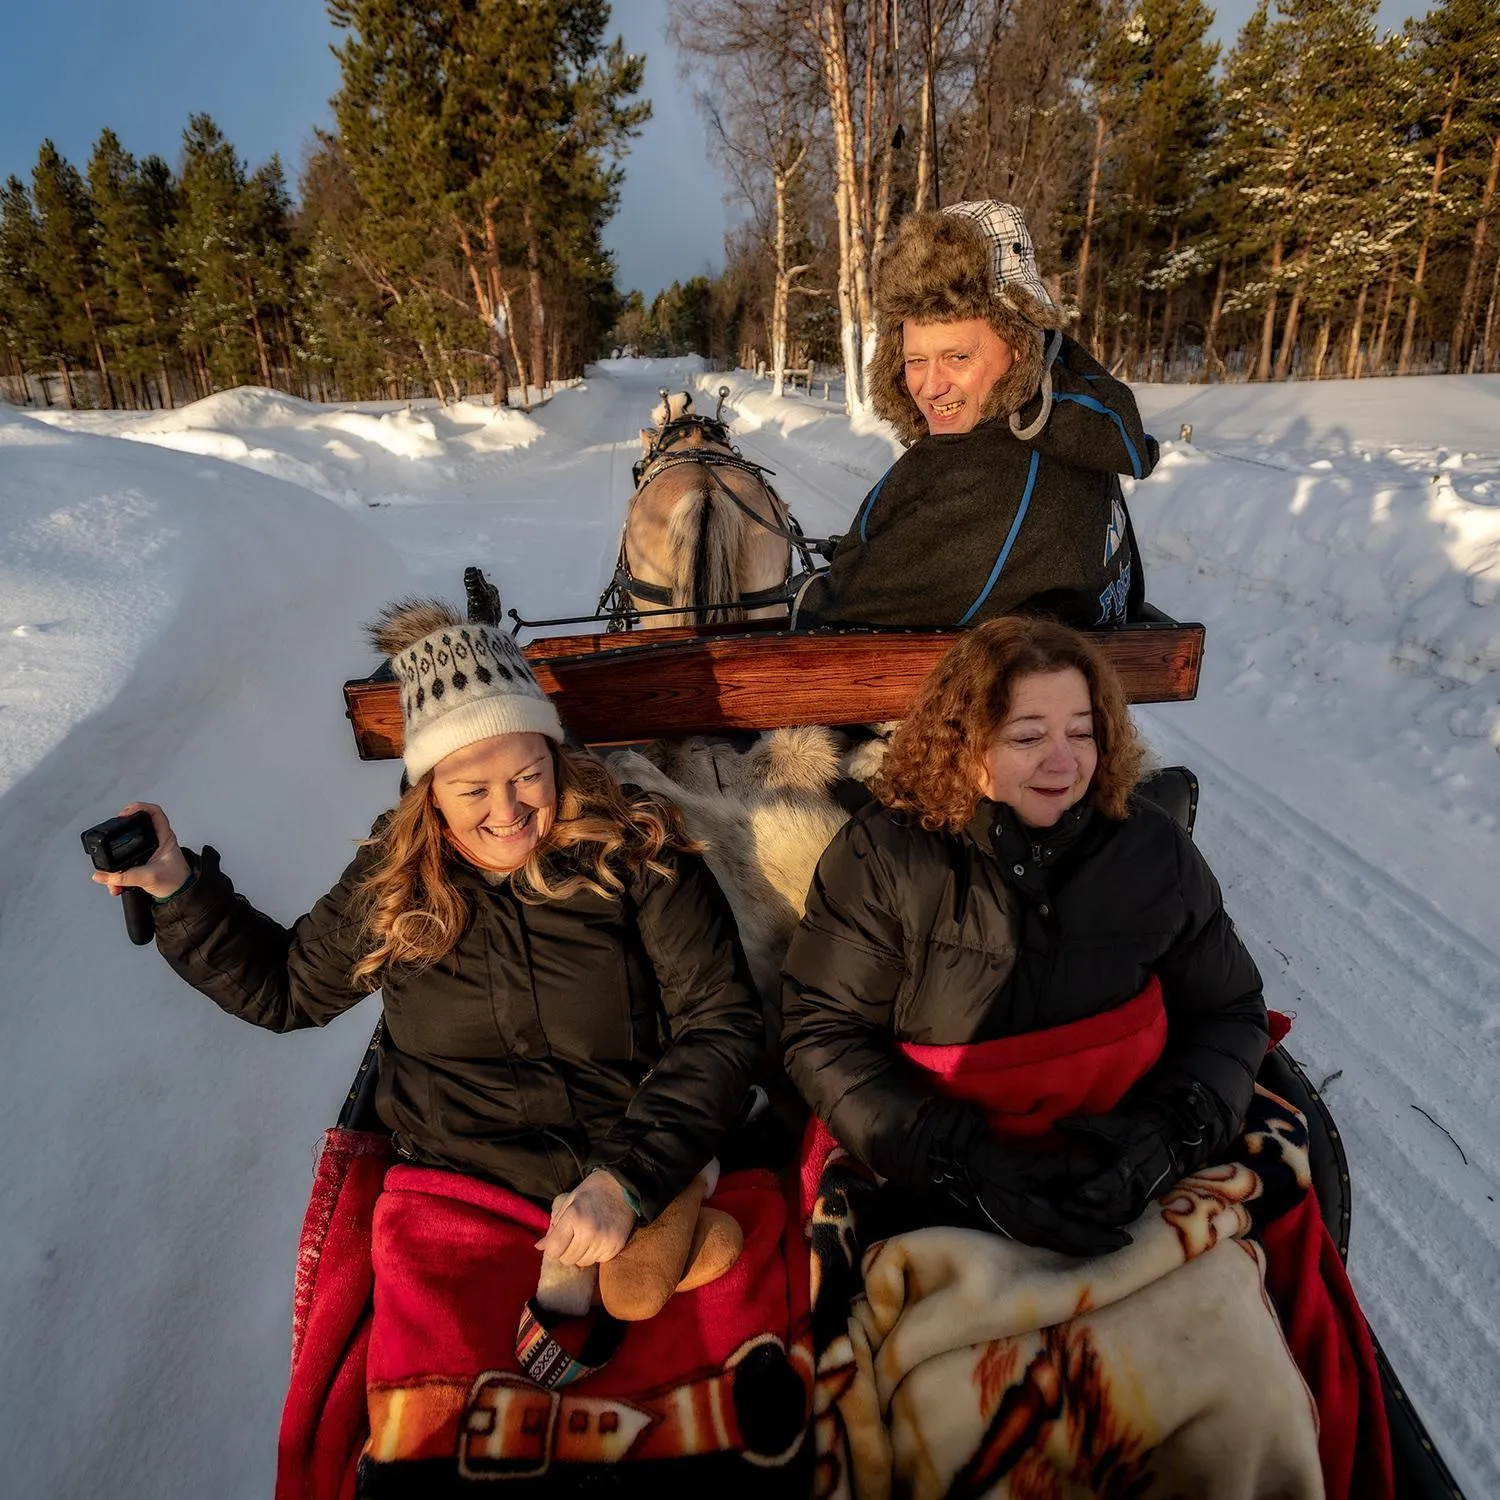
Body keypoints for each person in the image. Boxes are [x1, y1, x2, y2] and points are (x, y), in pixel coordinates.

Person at [91, 597, 765, 1270]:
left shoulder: (635, 853)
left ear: (556, 758)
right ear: (429, 792)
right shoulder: (396, 880)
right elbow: (285, 991)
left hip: (634, 1171)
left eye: (529, 776)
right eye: (474, 790)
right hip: (460, 1199)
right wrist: (176, 887)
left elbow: (720, 1022)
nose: (508, 811)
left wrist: (628, 1178)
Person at [781, 615, 1268, 1253]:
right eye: (1027, 736)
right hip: (934, 1174)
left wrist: (1165, 1138)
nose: (1063, 762)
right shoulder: (885, 856)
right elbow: (822, 1032)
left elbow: (1230, 1008)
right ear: (964, 743)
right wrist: (963, 1165)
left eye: (1082, 733)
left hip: (1133, 1167)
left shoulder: (1153, 850)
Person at [795, 201, 1159, 631]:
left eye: (959, 355)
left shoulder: (984, 474)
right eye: (915, 360)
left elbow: (835, 609)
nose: (930, 387)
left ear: (1019, 346)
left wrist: (800, 592)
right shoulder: (1074, 429)